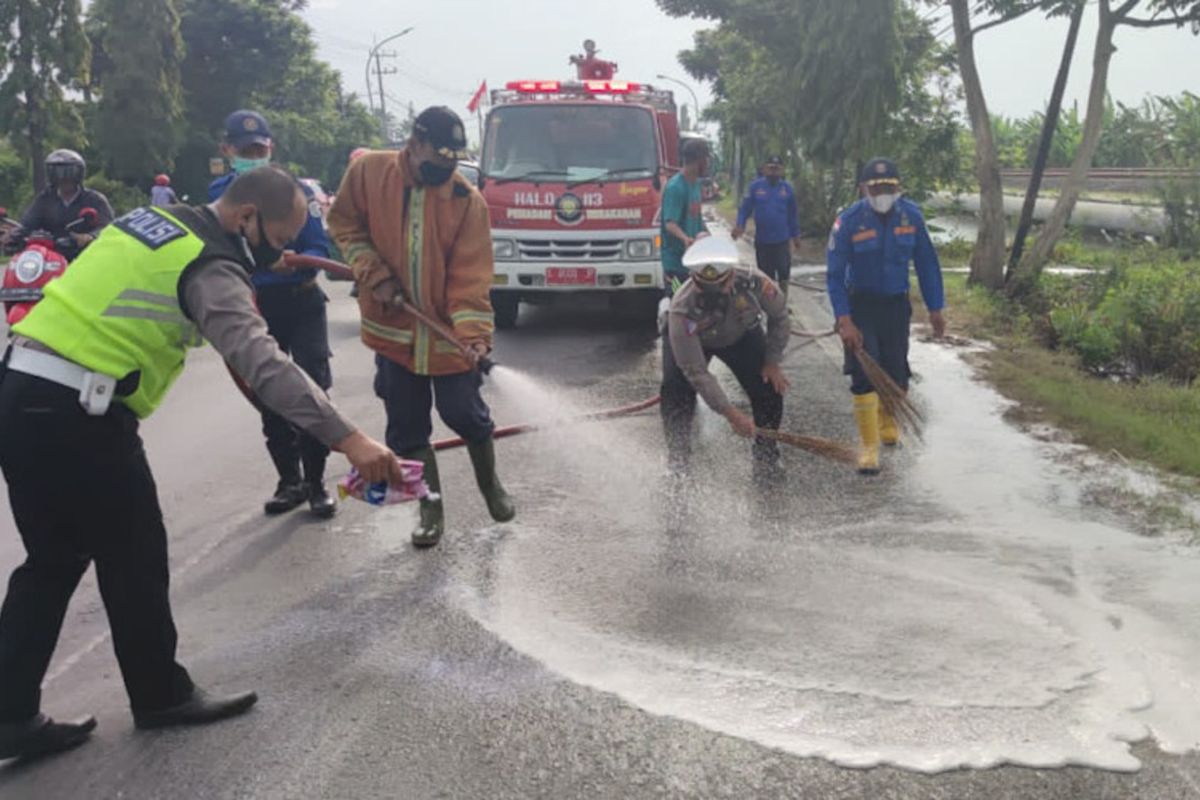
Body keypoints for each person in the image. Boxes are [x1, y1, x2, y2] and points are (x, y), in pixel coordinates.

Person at [0, 166, 406, 760]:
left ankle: (10, 714)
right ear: (247, 218)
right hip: (78, 414)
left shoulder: (153, 220)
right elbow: (262, 362)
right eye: (281, 237)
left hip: (21, 392)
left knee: (53, 560)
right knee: (135, 549)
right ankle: (160, 695)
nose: (285, 250)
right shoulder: (211, 264)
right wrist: (351, 440)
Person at [327, 106, 514, 549]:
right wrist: (374, 273)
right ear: (414, 144)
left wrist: (472, 338)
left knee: (464, 414)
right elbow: (345, 225)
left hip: (447, 337)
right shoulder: (368, 173)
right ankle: (430, 509)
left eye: (452, 164)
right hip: (393, 334)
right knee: (407, 428)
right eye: (436, 161)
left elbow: (470, 279)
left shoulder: (467, 203)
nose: (443, 173)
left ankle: (492, 488)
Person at [209, 110, 338, 518]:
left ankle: (317, 484)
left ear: (271, 149)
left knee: (312, 387)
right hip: (257, 308)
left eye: (259, 149)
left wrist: (297, 260)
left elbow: (320, 249)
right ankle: (290, 481)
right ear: (227, 150)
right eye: (244, 150)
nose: (252, 155)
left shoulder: (296, 192)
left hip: (302, 302)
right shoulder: (221, 197)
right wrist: (262, 270)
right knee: (268, 392)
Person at [826, 157, 946, 475]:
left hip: (895, 305)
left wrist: (936, 308)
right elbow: (835, 275)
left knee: (895, 369)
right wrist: (844, 319)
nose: (881, 192)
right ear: (862, 188)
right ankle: (868, 446)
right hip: (860, 305)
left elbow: (927, 265)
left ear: (898, 188)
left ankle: (888, 419)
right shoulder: (848, 221)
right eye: (875, 186)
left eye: (888, 187)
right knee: (865, 372)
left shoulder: (912, 217)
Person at [662, 235, 790, 486]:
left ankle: (766, 456)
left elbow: (780, 316)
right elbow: (696, 371)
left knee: (769, 389)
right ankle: (678, 461)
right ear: (694, 278)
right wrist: (731, 414)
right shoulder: (681, 308)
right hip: (695, 342)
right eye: (703, 287)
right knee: (675, 392)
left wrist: (772, 361)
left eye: (718, 287)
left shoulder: (756, 282)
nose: (711, 294)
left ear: (731, 275)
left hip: (740, 335)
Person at [13, 150, 114, 261]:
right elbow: (28, 223)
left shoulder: (94, 200)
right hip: (49, 258)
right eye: (57, 174)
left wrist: (91, 236)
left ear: (78, 175)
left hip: (85, 257)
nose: (63, 178)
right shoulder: (45, 199)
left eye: (69, 173)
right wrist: (13, 235)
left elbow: (107, 227)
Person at [731, 155, 802, 292]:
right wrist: (740, 225)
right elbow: (744, 209)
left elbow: (793, 215)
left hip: (781, 241)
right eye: (770, 168)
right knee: (764, 275)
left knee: (783, 272)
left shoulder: (787, 189)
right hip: (763, 241)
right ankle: (768, 304)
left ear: (782, 171)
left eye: (777, 169)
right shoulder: (755, 187)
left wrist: (796, 236)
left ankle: (782, 303)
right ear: (764, 169)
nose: (773, 172)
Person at [660, 139, 711, 296]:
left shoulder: (696, 184)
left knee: (693, 306)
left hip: (692, 262)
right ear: (699, 160)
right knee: (677, 301)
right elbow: (670, 223)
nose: (708, 163)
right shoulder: (676, 188)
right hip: (674, 265)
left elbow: (696, 217)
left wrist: (707, 234)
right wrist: (685, 239)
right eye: (706, 159)